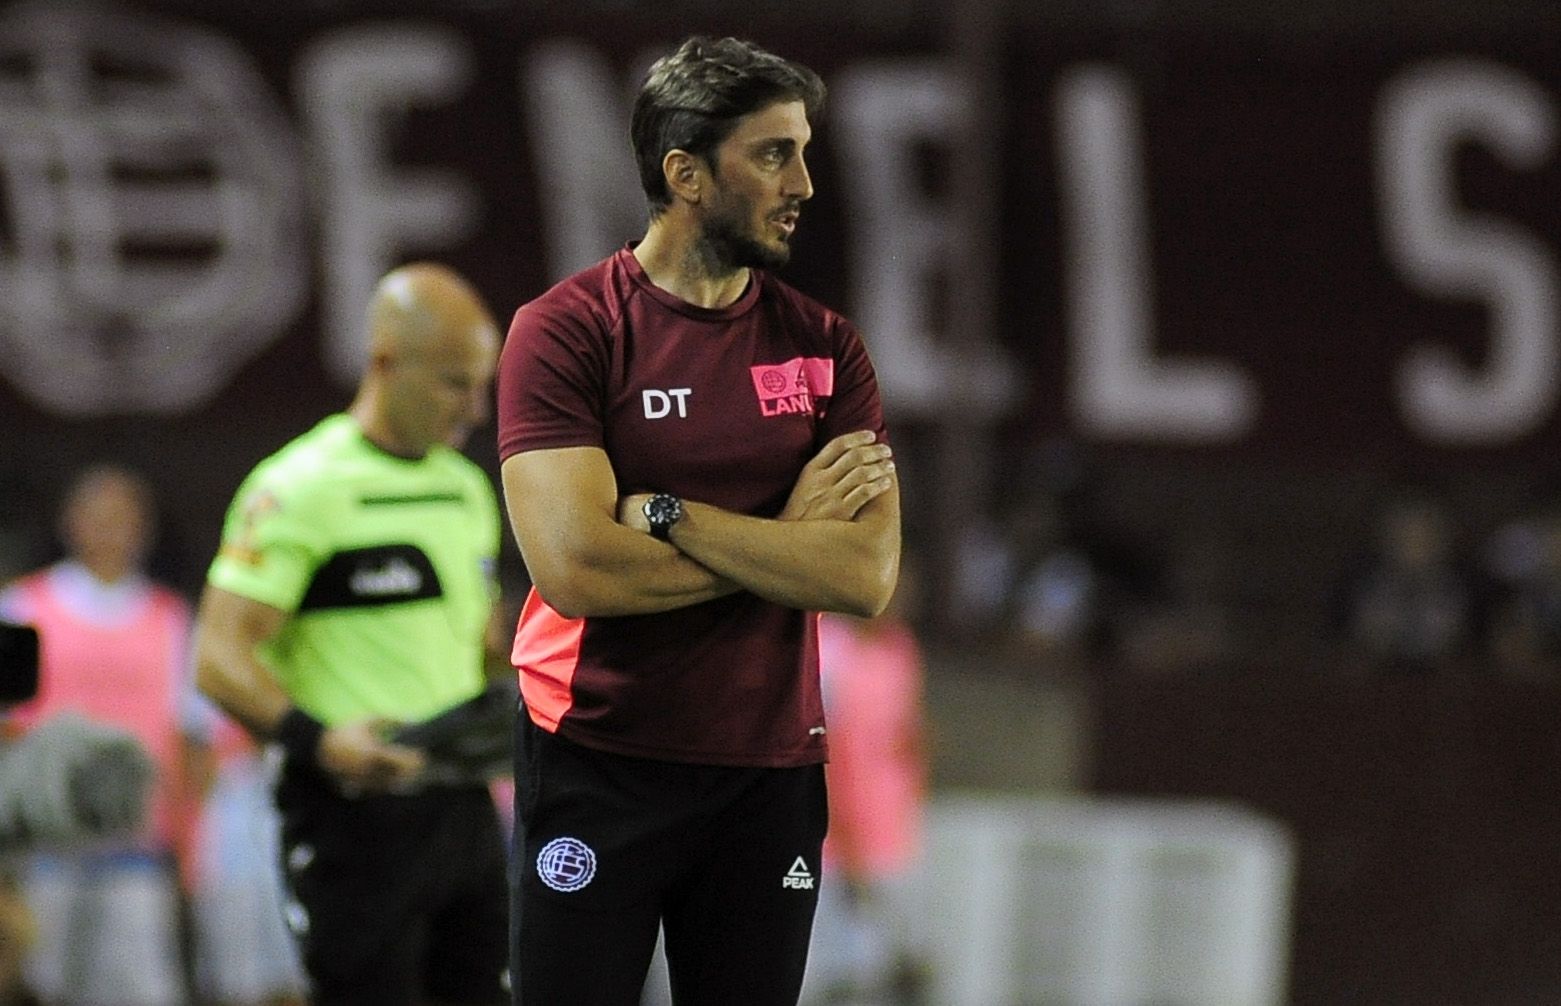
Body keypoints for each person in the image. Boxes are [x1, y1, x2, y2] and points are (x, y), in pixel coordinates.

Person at [498, 35, 901, 1005]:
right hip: (596, 758)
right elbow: (577, 570)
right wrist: (786, 537)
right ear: (685, 174)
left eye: (802, 152)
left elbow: (862, 577)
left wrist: (674, 518)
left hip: (768, 775)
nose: (802, 183)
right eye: (772, 155)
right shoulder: (567, 331)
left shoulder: (825, 347)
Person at [193, 263, 511, 1005]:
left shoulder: (464, 487)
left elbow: (480, 647)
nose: (475, 409)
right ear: (384, 362)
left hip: (464, 810)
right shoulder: (300, 488)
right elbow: (216, 658)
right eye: (454, 384)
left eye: (482, 384)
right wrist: (321, 742)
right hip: (352, 817)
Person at [0, 465, 201, 1006]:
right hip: (41, 844)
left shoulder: (169, 617)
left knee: (139, 986)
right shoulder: (23, 606)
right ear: (72, 523)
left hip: (136, 841)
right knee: (38, 982)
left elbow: (189, 732)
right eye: (98, 518)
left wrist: (189, 835)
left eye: (123, 520)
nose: (110, 532)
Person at [803, 555, 929, 1004]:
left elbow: (907, 733)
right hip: (833, 840)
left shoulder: (901, 649)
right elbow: (824, 751)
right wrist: (846, 835)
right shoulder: (828, 649)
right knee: (836, 970)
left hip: (891, 838)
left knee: (895, 967)